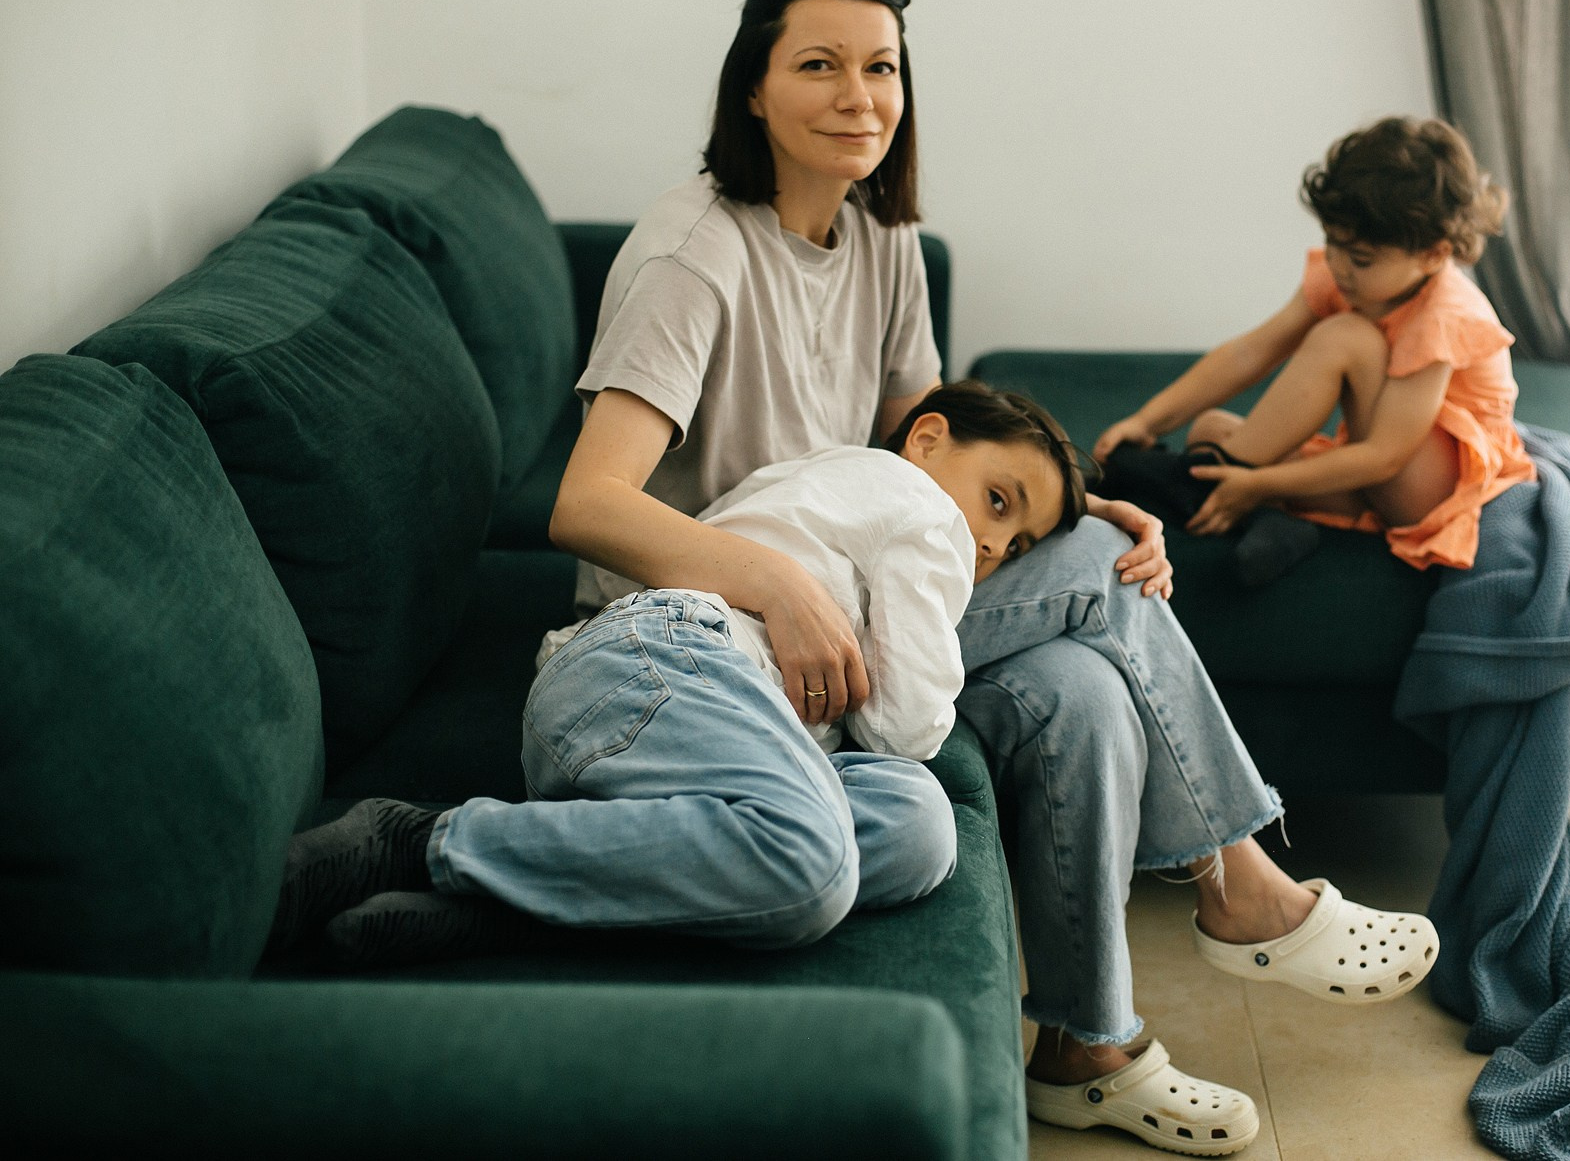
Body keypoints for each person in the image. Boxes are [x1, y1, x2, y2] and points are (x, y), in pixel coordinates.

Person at [287, 0, 1436, 1156]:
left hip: (842, 624)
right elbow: (586, 504)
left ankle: (1087, 1047)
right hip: (694, 640)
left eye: (881, 68)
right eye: (820, 65)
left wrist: (1071, 508)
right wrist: (777, 584)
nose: (858, 97)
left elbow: (933, 452)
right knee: (1094, 599)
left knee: (1079, 684)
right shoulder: (694, 255)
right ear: (752, 87)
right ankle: (1239, 880)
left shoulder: (881, 242)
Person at [268, 379, 1086, 961]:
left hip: (626, 712)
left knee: (919, 827)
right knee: (813, 866)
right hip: (673, 666)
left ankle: (517, 903)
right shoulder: (924, 509)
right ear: (928, 437)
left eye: (1017, 546)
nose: (990, 546)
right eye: (999, 502)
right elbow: (906, 726)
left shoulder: (821, 484)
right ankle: (418, 842)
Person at [1095, 116, 1534, 583]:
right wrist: (1149, 420)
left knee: (1345, 336)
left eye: (1361, 259)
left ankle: (1218, 487)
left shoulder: (1446, 315)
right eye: (1332, 244)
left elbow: (1385, 455)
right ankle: (1268, 521)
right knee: (1212, 428)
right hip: (1371, 477)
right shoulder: (1348, 274)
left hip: (1430, 494)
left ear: (1433, 254)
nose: (1340, 268)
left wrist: (1259, 481)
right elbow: (1252, 352)